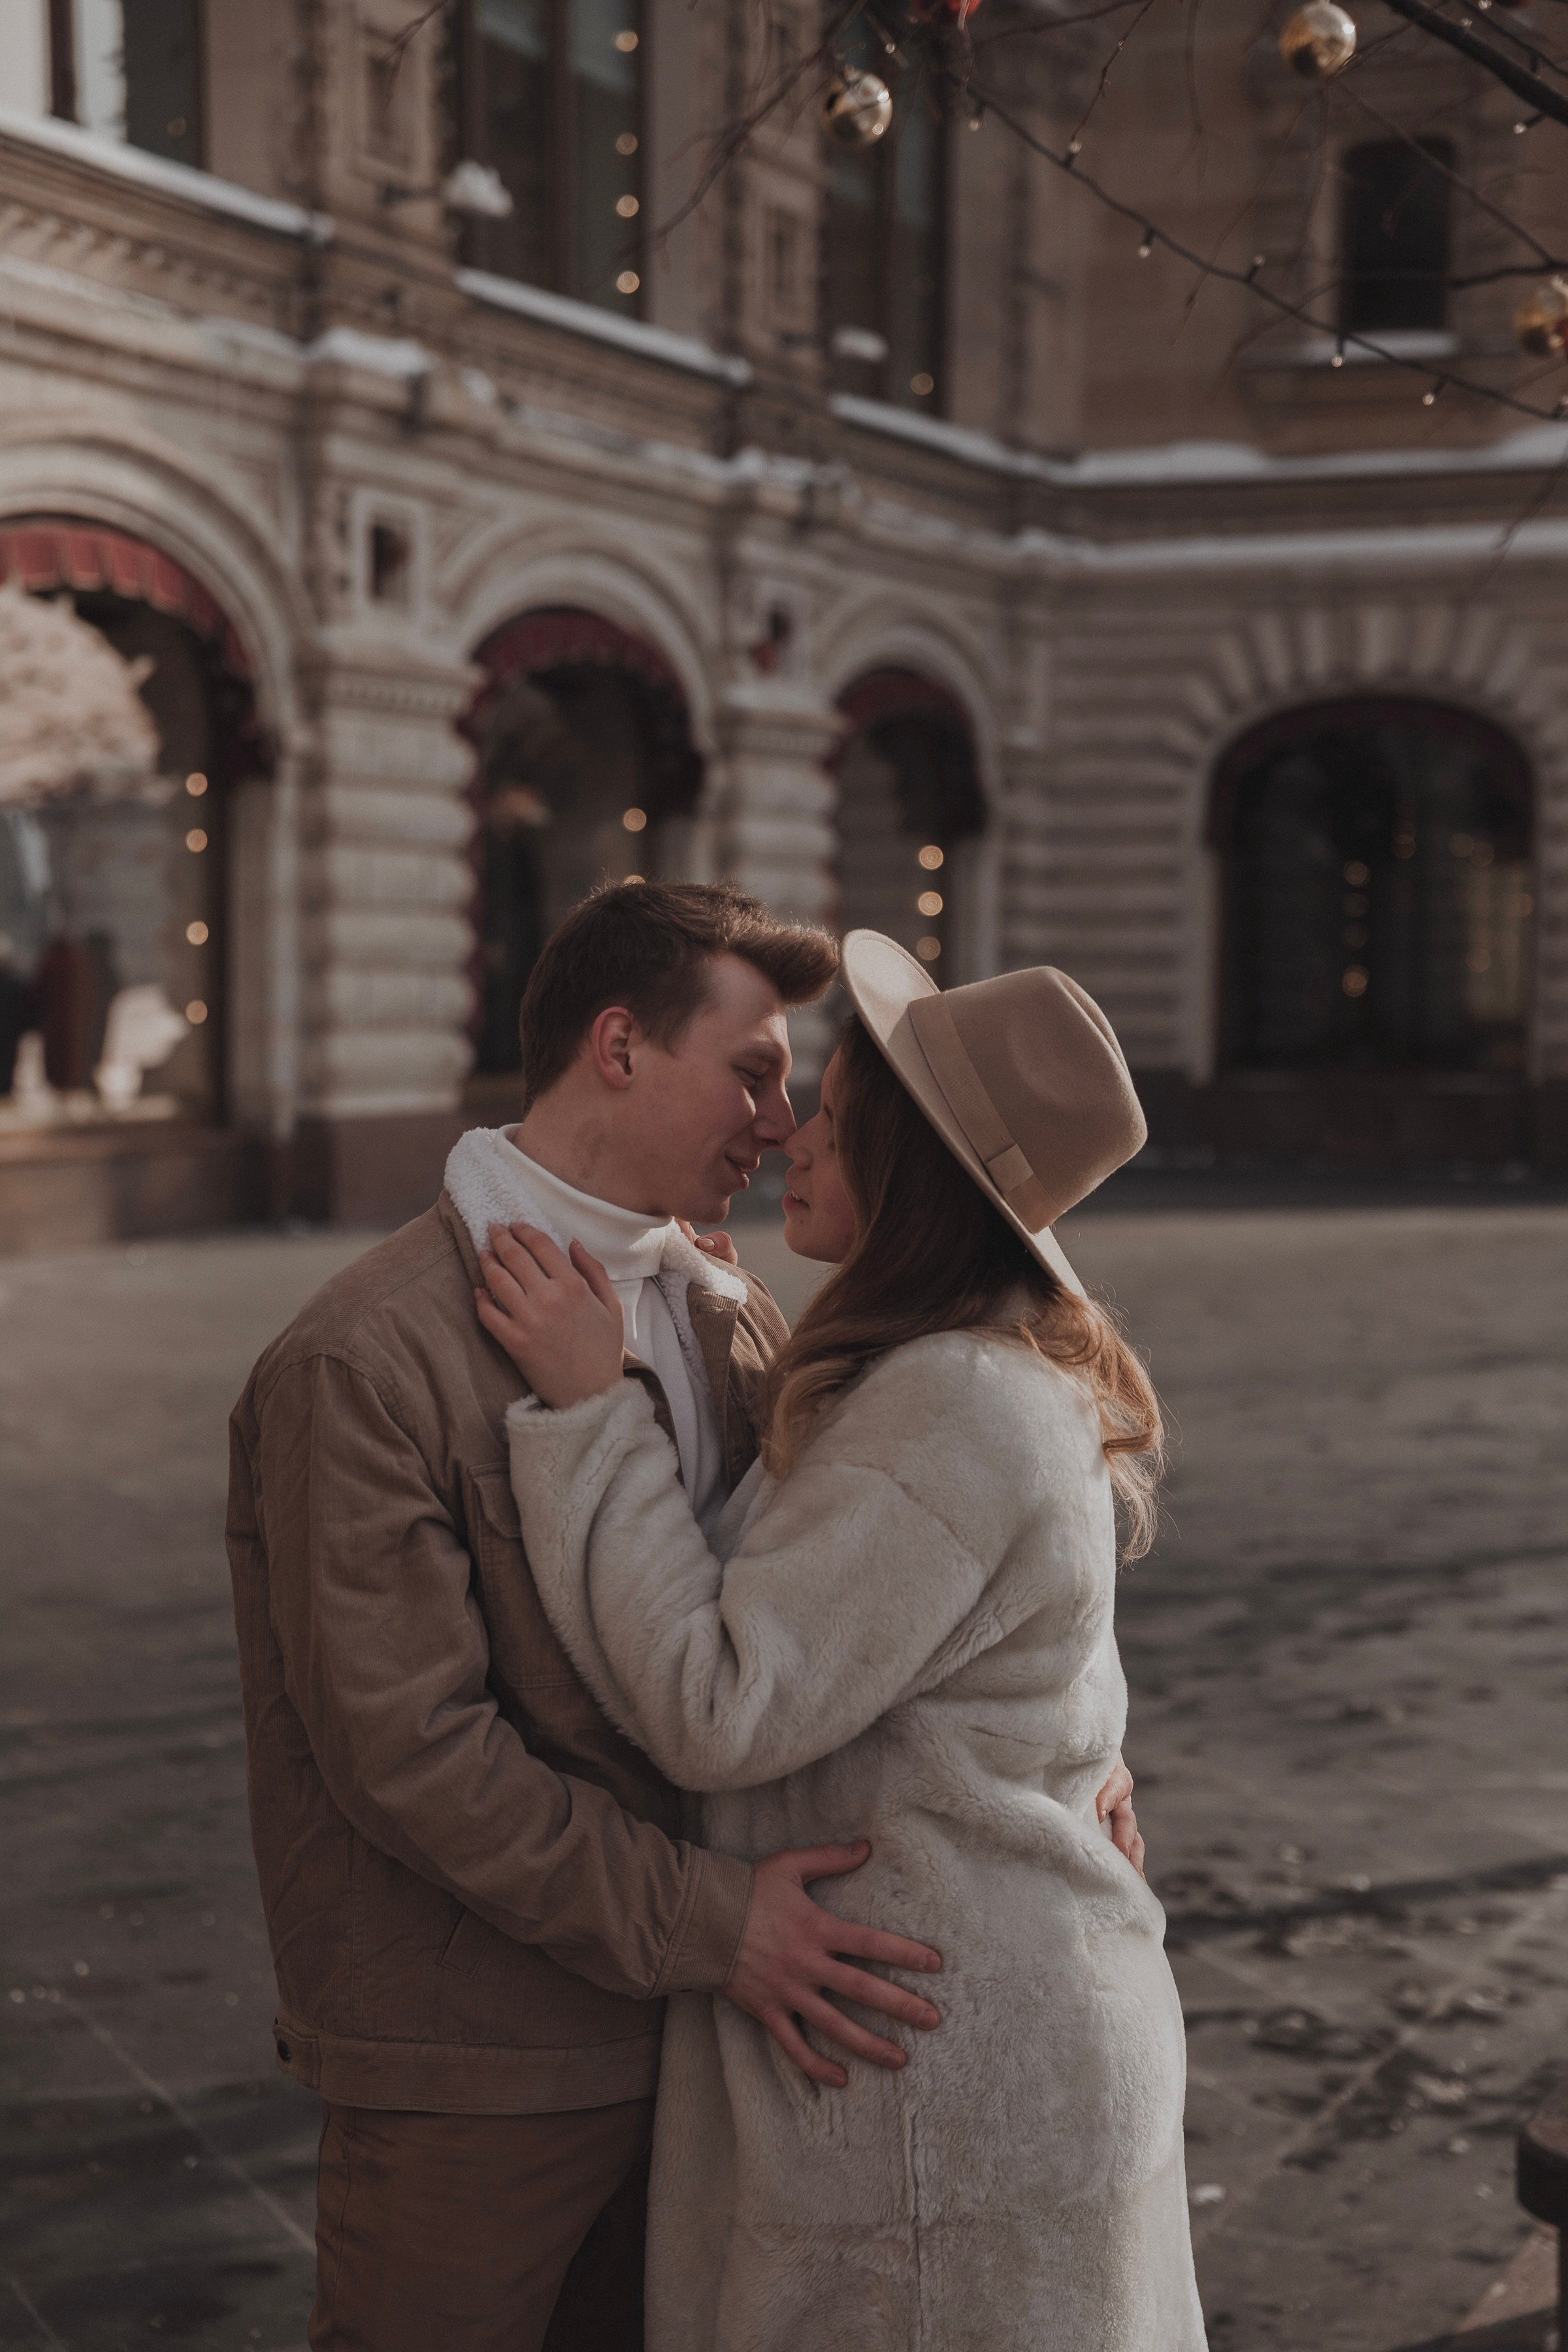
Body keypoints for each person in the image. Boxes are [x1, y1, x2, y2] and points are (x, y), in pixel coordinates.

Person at [227, 884, 964, 2352]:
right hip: (480, 2069)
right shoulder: (366, 1357)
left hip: (714, 2045)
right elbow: (413, 1756)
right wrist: (715, 1927)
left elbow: (826, 1629)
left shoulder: (727, 1312)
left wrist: (1086, 1774)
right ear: (618, 1048)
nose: (776, 1121)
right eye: (751, 1072)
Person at [474, 930, 1207, 2352]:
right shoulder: (959, 1374)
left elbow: (719, 1699)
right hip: (944, 2036)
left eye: (835, 1118)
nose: (787, 1133)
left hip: (936, 2086)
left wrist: (587, 1415)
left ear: (916, 1179)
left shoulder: (953, 1406)